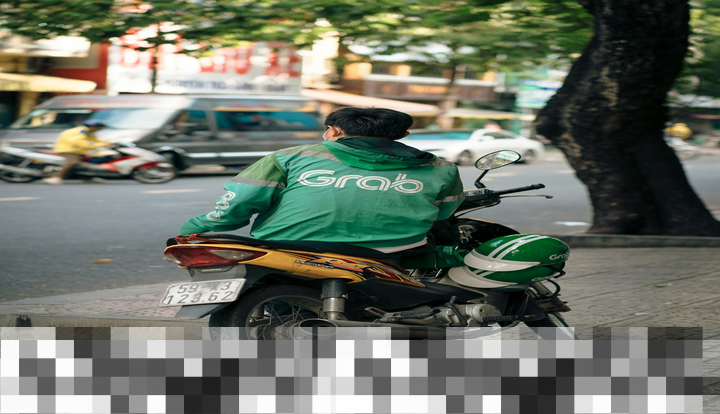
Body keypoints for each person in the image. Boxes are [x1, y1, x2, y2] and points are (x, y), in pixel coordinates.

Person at [180, 107, 465, 255]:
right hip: (393, 250)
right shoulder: (442, 168)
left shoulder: (289, 157)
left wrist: (196, 228)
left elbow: (239, 202)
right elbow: (443, 213)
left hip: (289, 246)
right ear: (403, 136)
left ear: (334, 130)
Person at [42, 120, 111, 185]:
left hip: (79, 151)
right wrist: (100, 144)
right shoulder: (79, 131)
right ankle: (56, 177)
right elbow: (79, 142)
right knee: (73, 162)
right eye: (98, 127)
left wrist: (108, 143)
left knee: (88, 163)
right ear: (92, 126)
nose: (99, 129)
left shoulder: (89, 132)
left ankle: (88, 177)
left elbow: (96, 140)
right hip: (69, 150)